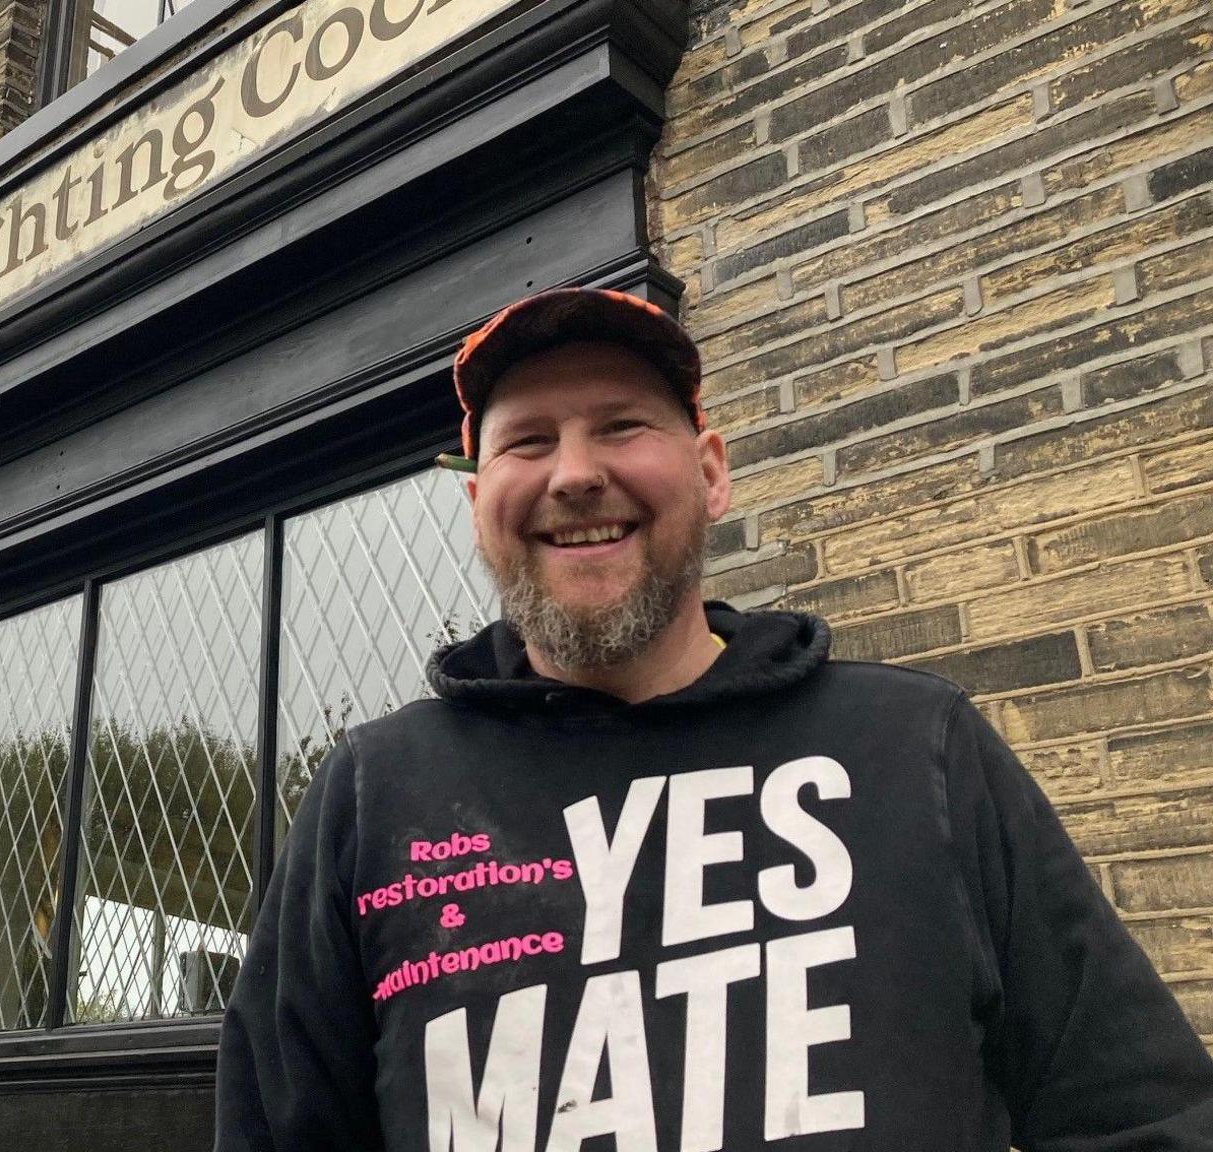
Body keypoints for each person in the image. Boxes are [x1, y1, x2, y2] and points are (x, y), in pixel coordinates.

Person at [214, 287, 1213, 1150]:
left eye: (619, 426)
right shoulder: (371, 790)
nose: (572, 474)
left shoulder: (914, 747)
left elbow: (1141, 1118)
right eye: (528, 441)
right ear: (480, 503)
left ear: (710, 471)